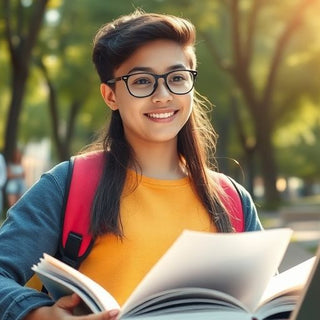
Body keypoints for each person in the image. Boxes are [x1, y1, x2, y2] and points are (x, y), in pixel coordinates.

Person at [0, 10, 263, 320]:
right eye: (141, 81)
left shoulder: (232, 199)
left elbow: (262, 301)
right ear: (110, 95)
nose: (163, 95)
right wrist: (39, 315)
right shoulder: (69, 184)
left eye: (177, 78)